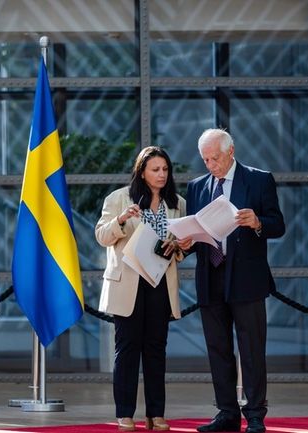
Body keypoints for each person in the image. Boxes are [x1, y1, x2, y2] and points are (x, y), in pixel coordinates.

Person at [185, 129, 285, 433]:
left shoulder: (258, 179)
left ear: (231, 151)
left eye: (215, 158)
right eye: (205, 159)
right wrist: (186, 242)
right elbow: (196, 229)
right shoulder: (197, 187)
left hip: (246, 278)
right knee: (218, 349)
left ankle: (255, 414)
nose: (210, 164)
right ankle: (227, 412)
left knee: (252, 349)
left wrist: (257, 222)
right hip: (210, 275)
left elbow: (277, 225)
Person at [95, 146, 191, 432]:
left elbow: (184, 245)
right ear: (142, 171)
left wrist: (182, 246)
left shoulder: (177, 203)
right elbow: (101, 235)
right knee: (127, 350)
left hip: (159, 283)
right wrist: (121, 219)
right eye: (155, 169)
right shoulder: (118, 198)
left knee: (155, 350)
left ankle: (156, 413)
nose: (161, 175)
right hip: (129, 284)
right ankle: (125, 413)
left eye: (165, 170)